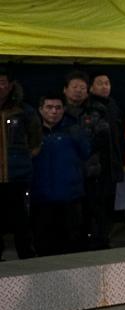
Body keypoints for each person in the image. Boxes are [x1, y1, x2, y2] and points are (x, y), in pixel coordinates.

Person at [29, 92, 91, 256]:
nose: (54, 111)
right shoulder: (31, 133)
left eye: (58, 107)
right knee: (44, 248)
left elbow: (87, 153)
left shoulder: (73, 129)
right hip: (41, 200)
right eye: (49, 107)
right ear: (40, 110)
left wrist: (80, 136)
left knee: (72, 249)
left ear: (63, 110)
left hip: (70, 199)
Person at [62, 71, 113, 249]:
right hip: (66, 173)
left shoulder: (97, 109)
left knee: (96, 213)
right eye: (74, 87)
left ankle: (100, 246)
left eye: (82, 88)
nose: (78, 91)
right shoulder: (58, 111)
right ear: (65, 90)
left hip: (92, 172)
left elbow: (103, 139)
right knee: (71, 216)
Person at [0, 68, 40, 260]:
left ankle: (28, 261)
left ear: (10, 85)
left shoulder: (24, 110)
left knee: (22, 223)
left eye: (2, 82)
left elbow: (36, 142)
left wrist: (20, 161)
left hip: (18, 178)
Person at [86, 72, 124, 248]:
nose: (104, 86)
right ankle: (96, 240)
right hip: (96, 167)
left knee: (109, 204)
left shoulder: (113, 105)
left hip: (112, 164)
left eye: (107, 83)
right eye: (100, 83)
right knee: (96, 206)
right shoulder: (89, 107)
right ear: (91, 87)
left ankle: (104, 238)